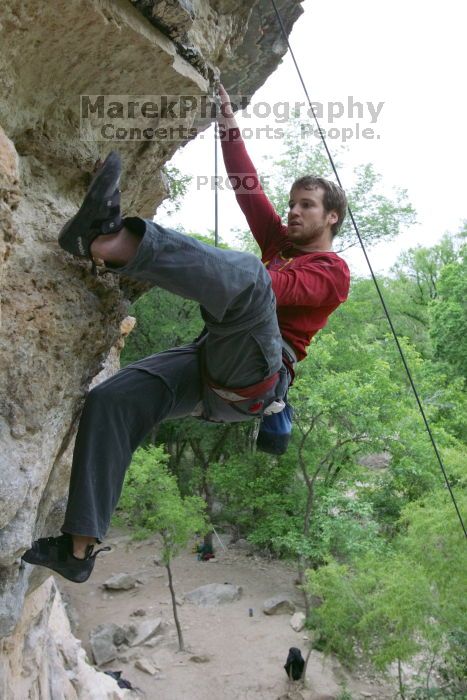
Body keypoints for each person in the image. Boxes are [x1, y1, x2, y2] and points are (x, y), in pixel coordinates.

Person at [21, 86, 350, 583]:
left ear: (332, 217)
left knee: (252, 277)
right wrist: (227, 123)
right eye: (292, 204)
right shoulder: (280, 242)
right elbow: (248, 190)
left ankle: (109, 240)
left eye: (306, 205)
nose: (292, 212)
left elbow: (271, 287)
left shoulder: (332, 269)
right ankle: (79, 547)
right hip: (211, 363)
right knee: (111, 400)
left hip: (258, 376)